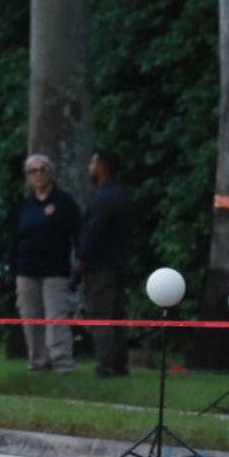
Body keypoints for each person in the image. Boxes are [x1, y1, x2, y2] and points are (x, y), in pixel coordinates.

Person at [9, 154, 81, 373]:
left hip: (55, 269)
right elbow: (13, 238)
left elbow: (78, 234)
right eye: (33, 171)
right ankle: (38, 361)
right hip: (26, 269)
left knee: (56, 316)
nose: (38, 174)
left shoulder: (64, 202)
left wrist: (80, 263)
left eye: (43, 169)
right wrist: (10, 268)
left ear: (50, 172)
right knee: (30, 317)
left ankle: (62, 363)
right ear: (27, 176)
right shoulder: (23, 205)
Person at [73, 149, 135, 379]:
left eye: (92, 163)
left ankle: (105, 367)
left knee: (100, 317)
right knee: (117, 317)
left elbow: (93, 235)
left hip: (101, 269)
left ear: (101, 166)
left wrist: (81, 263)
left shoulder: (102, 199)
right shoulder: (123, 196)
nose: (90, 168)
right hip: (120, 265)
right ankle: (120, 365)